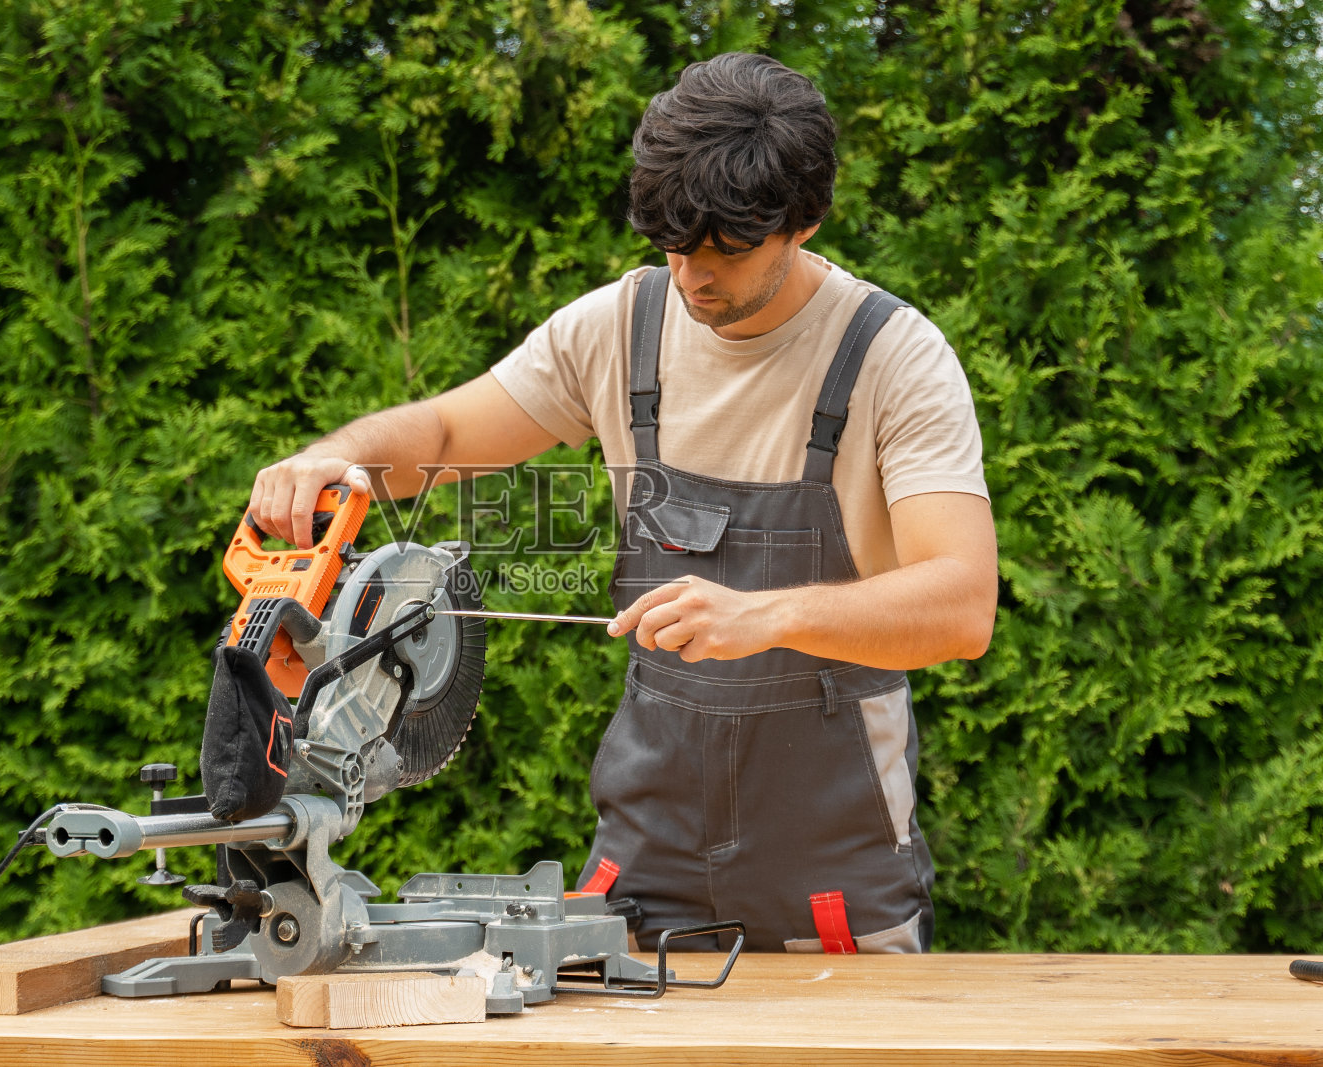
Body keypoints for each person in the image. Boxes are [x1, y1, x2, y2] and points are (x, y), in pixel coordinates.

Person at [247, 52, 997, 953]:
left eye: (725, 251)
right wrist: (335, 459)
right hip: (643, 876)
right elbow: (444, 434)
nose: (692, 277)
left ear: (803, 222)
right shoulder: (621, 327)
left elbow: (962, 604)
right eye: (675, 246)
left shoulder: (894, 358)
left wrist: (766, 615)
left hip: (837, 889)